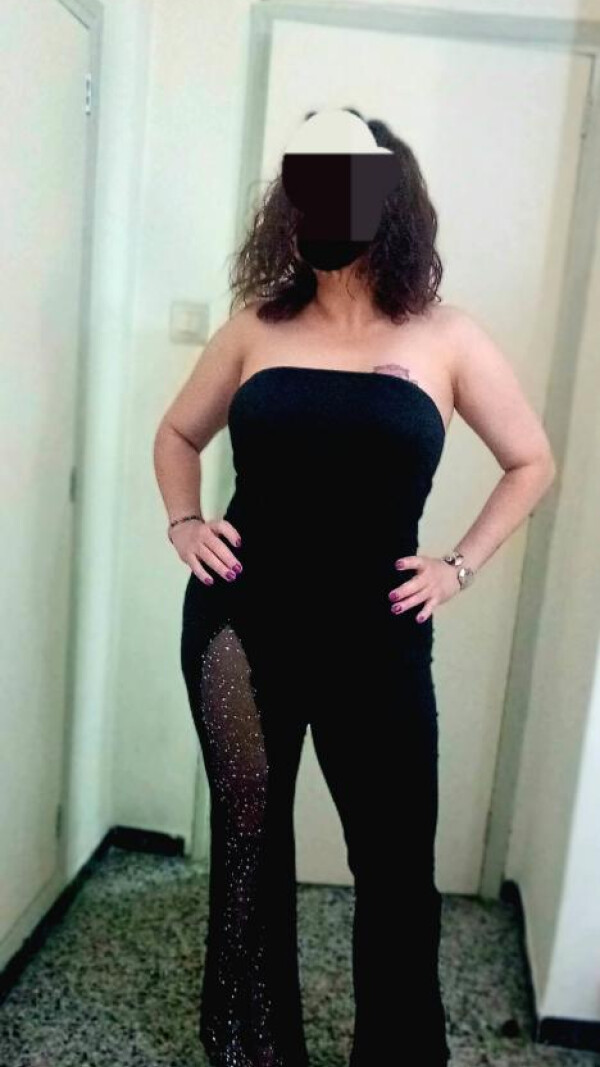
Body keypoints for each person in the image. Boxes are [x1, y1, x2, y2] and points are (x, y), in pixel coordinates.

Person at [153, 110, 556, 1067]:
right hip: (240, 626)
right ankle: (255, 1050)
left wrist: (458, 565)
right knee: (250, 851)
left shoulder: (446, 336)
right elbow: (177, 434)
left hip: (377, 637)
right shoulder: (255, 328)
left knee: (394, 863)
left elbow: (531, 460)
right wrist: (184, 522)